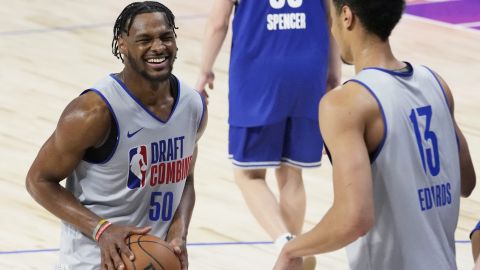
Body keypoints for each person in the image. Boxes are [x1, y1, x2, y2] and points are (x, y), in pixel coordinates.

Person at [273, 0, 477, 269]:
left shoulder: (345, 103)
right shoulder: (435, 83)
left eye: (331, 17)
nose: (331, 29)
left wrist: (291, 249)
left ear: (346, 16)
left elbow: (354, 218)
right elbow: (466, 182)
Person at [25, 2, 207, 270]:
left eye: (166, 37)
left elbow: (187, 180)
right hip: (94, 260)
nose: (158, 47)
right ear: (122, 45)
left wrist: (179, 232)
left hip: (152, 260)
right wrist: (101, 229)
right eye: (145, 39)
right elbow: (38, 181)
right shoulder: (93, 112)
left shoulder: (191, 105)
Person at [196, 0, 340, 267]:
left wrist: (205, 70)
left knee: (248, 174)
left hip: (258, 76)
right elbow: (332, 18)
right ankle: (293, 255)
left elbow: (218, 21)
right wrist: (333, 74)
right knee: (291, 172)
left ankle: (288, 247)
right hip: (308, 71)